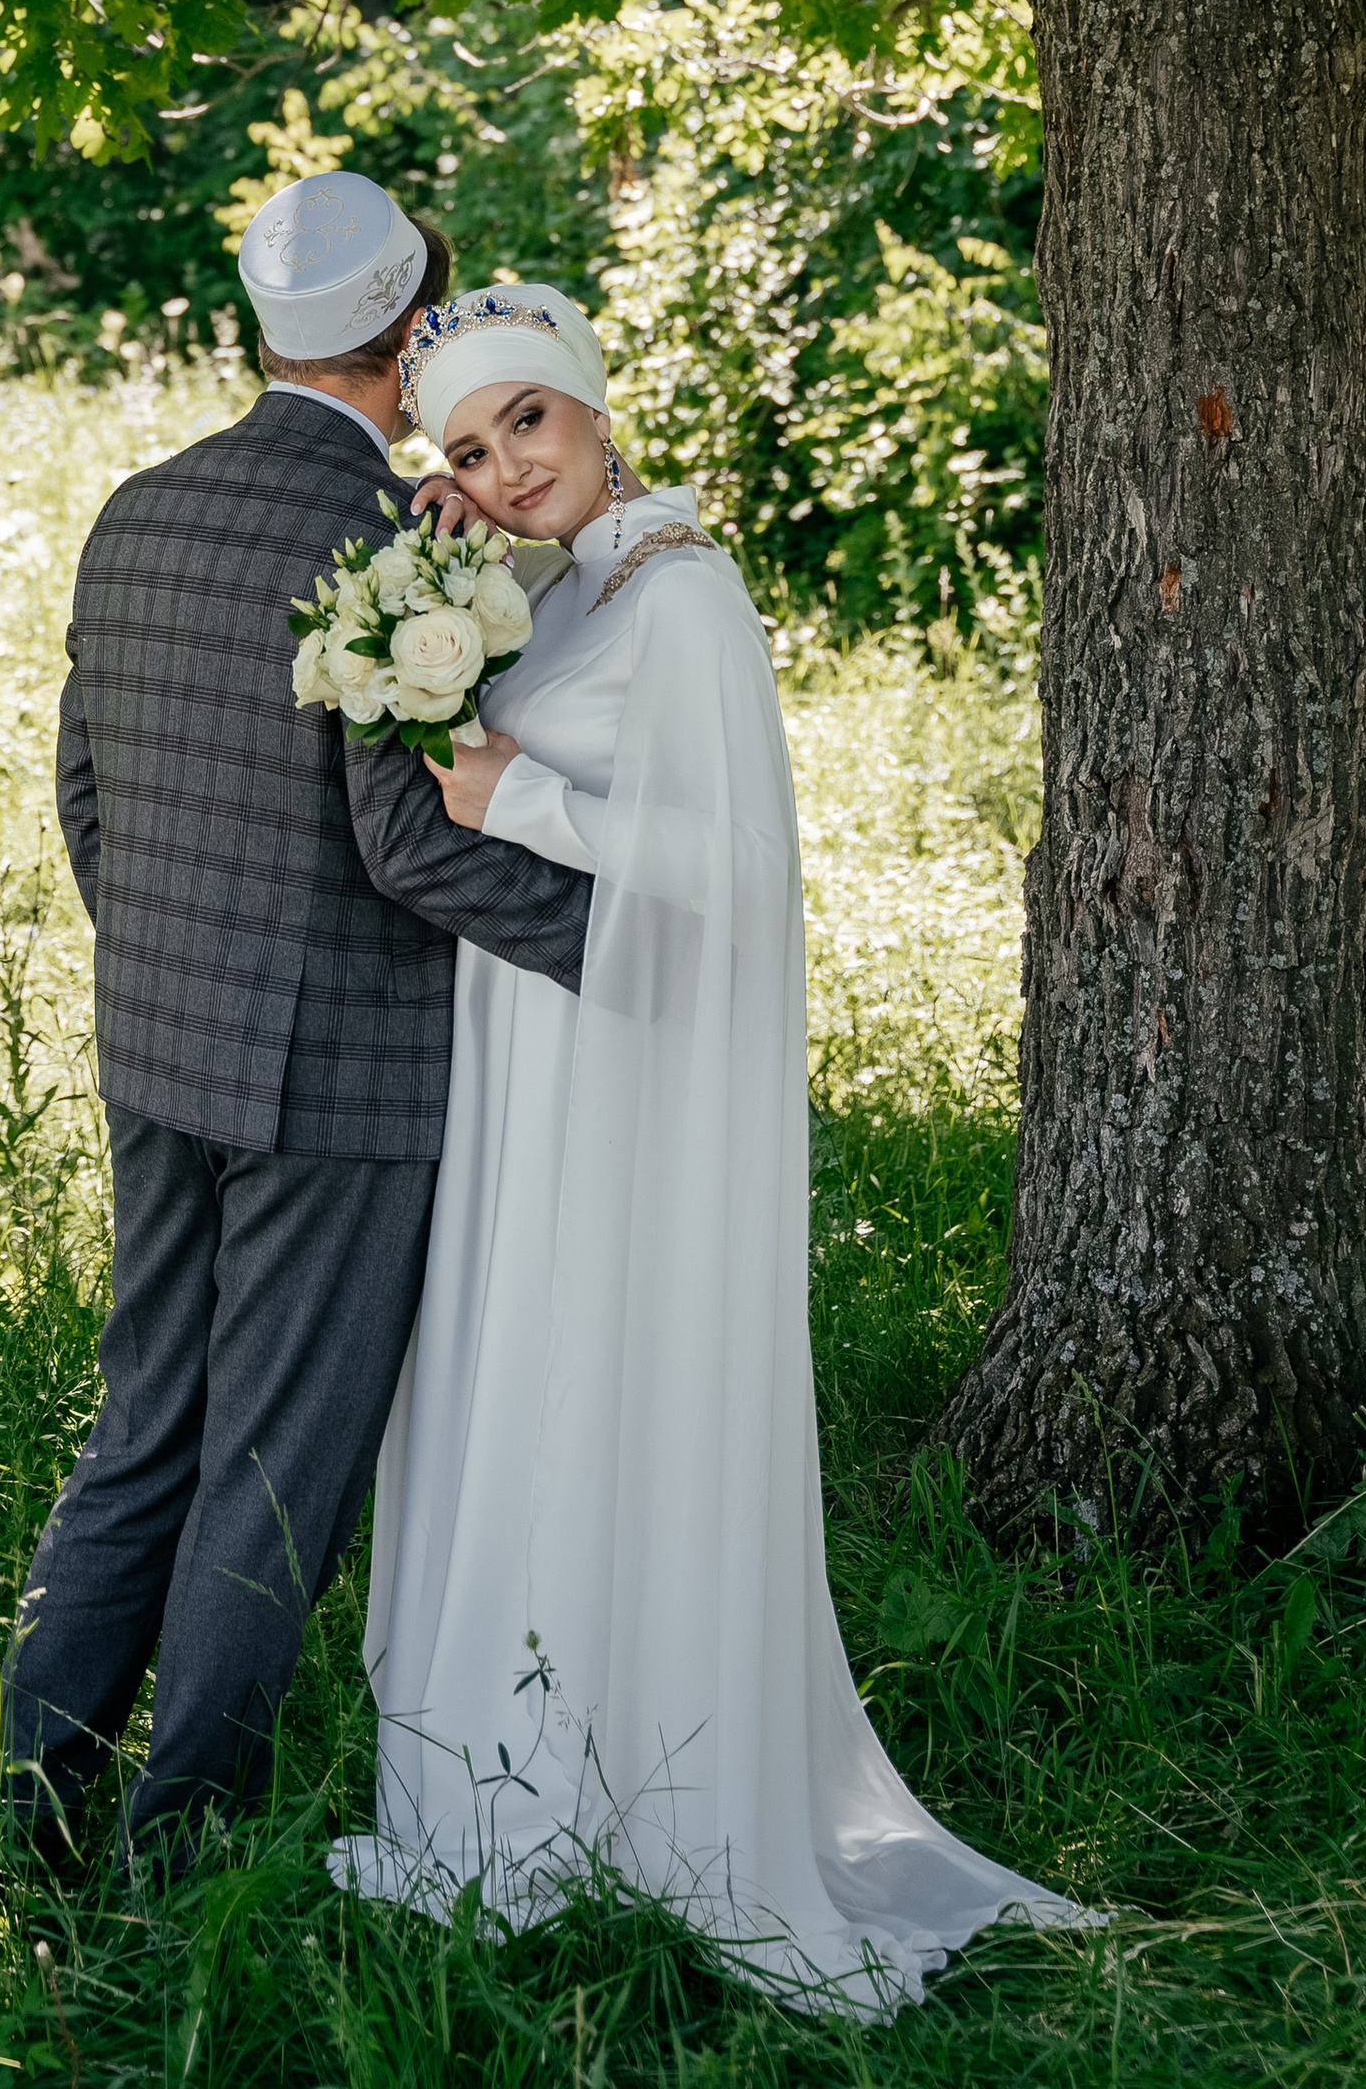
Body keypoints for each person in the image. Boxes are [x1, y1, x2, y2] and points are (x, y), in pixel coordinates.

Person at [329, 280, 1088, 2012]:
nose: (509, 464)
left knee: (602, 1371)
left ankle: (646, 1783)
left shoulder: (687, 597)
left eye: (530, 419)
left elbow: (740, 869)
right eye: (468, 444)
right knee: (527, 1368)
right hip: (537, 1046)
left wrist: (515, 791)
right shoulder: (574, 583)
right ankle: (527, 1769)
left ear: (599, 411)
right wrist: (460, 591)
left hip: (623, 1073)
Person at [0, 178, 597, 1862]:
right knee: (274, 1469)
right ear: (412, 340)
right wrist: (621, 937)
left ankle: (29, 1804)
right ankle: (177, 1842)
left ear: (270, 331)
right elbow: (404, 847)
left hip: (158, 1042)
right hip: (343, 1075)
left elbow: (86, 790)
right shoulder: (390, 549)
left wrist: (173, 964)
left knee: (145, 1426)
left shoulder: (139, 510)